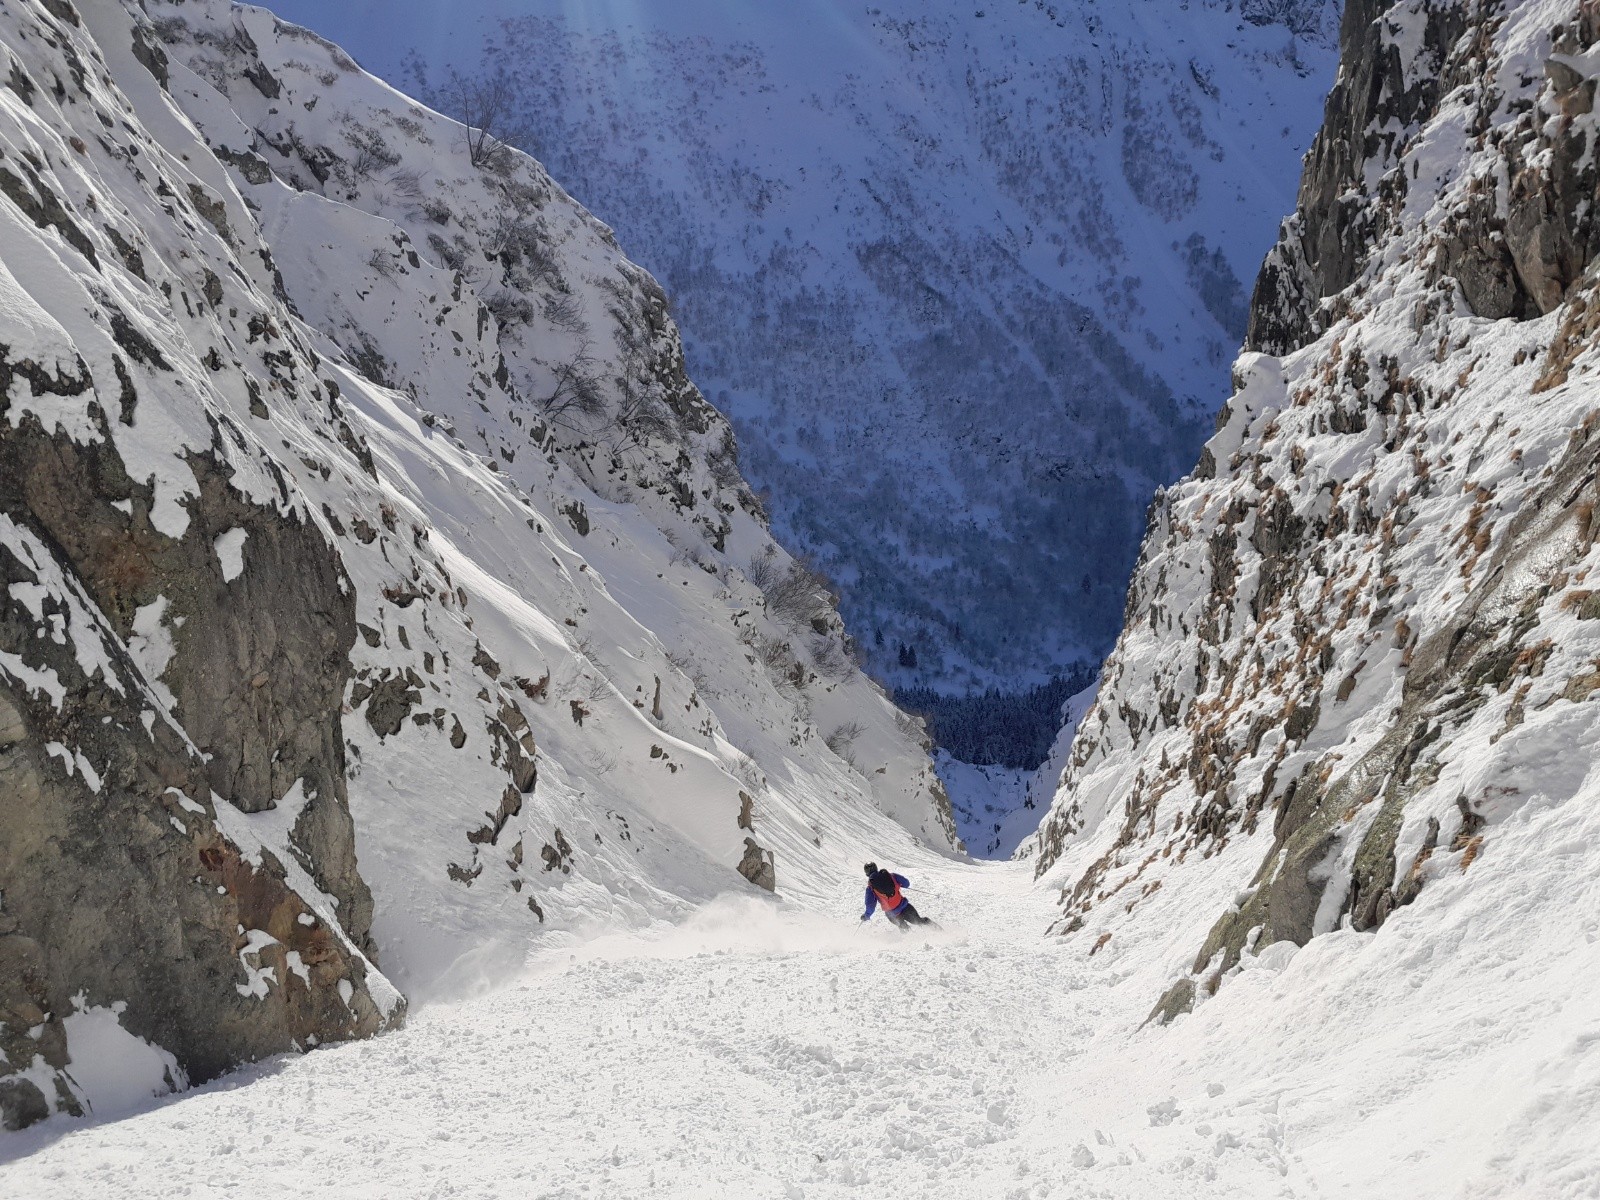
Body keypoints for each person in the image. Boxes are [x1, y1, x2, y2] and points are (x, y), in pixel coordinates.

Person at [860, 862, 931, 928]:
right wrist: (898, 884)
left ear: (867, 873)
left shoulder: (870, 888)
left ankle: (910, 940)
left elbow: (870, 905)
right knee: (919, 921)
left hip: (892, 915)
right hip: (904, 907)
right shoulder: (891, 876)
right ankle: (938, 930)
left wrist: (866, 916)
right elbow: (906, 883)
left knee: (904, 929)